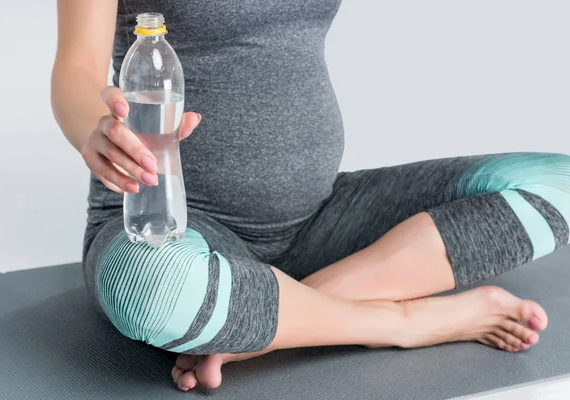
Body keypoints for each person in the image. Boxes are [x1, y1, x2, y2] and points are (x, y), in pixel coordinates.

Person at [51, 0, 569, 392]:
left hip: (321, 218)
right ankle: (401, 321)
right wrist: (94, 130)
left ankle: (262, 328)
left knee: (560, 184)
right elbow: (76, 69)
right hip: (173, 221)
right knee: (153, 290)